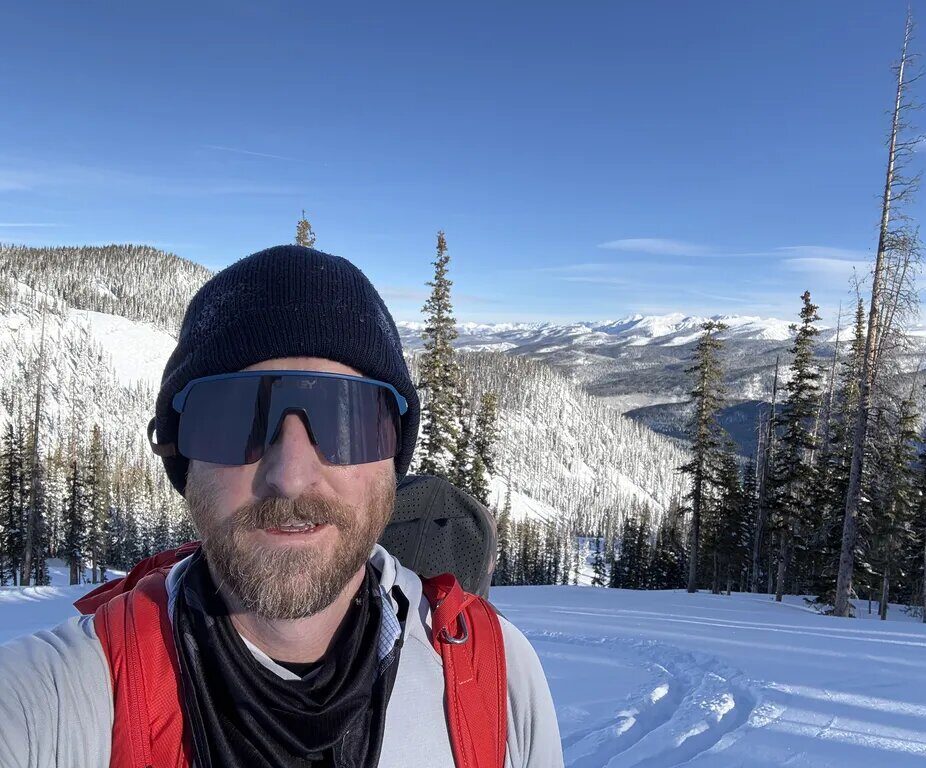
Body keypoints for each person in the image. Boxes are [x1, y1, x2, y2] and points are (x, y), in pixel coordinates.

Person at [0, 245, 563, 768]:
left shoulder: (497, 680)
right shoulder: (57, 699)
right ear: (181, 456)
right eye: (234, 418)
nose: (291, 476)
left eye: (346, 421)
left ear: (393, 455)